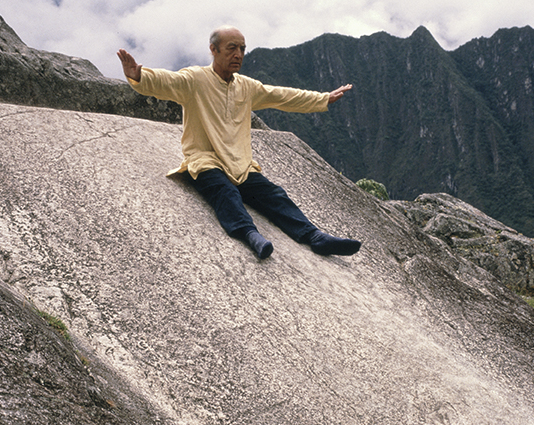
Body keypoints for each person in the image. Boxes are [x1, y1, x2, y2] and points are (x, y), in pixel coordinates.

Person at [117, 27, 362, 260]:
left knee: (274, 194)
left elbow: (282, 96)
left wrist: (323, 98)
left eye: (242, 49)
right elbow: (167, 81)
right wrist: (138, 75)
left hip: (239, 163)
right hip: (204, 159)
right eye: (231, 48)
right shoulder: (194, 79)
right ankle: (249, 234)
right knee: (224, 191)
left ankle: (314, 236)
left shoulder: (246, 86)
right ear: (213, 50)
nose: (238, 55)